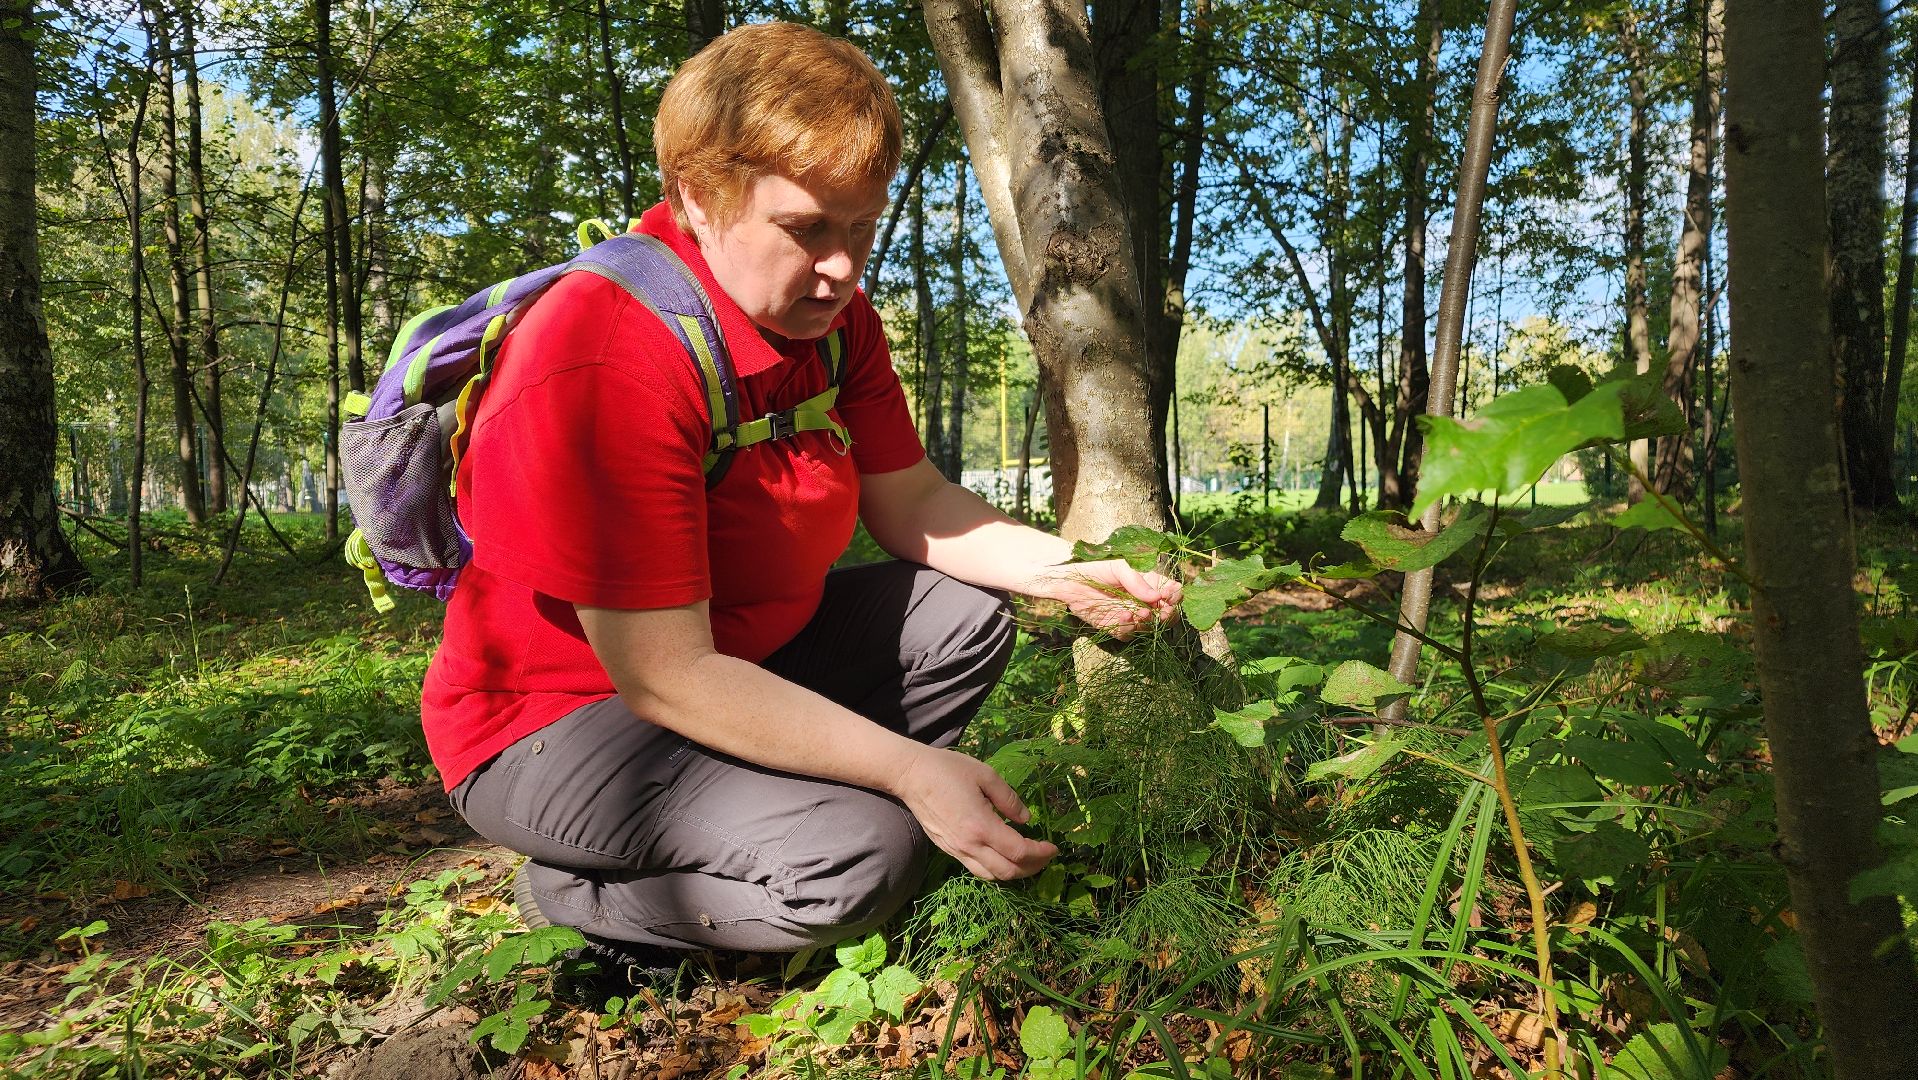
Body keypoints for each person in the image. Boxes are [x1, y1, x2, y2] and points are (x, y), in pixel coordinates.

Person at [421, 21, 1180, 987]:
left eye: (862, 226)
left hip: (738, 662)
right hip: (561, 720)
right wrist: (908, 771)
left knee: (961, 617)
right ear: (698, 196)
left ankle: (788, 806)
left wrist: (1072, 575)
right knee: (862, 859)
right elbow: (664, 676)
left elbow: (912, 504)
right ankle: (573, 899)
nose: (843, 267)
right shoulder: (609, 355)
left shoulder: (831, 322)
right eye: (807, 228)